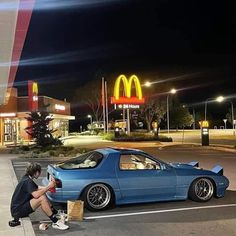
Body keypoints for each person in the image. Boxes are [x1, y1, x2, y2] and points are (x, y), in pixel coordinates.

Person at [9, 162, 69, 230]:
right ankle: (55, 222)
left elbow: (37, 187)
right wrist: (48, 187)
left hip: (18, 208)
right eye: (40, 172)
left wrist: (50, 188)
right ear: (36, 172)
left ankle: (55, 213)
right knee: (41, 198)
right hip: (18, 211)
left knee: (42, 193)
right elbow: (36, 195)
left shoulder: (26, 178)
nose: (40, 174)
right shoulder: (27, 181)